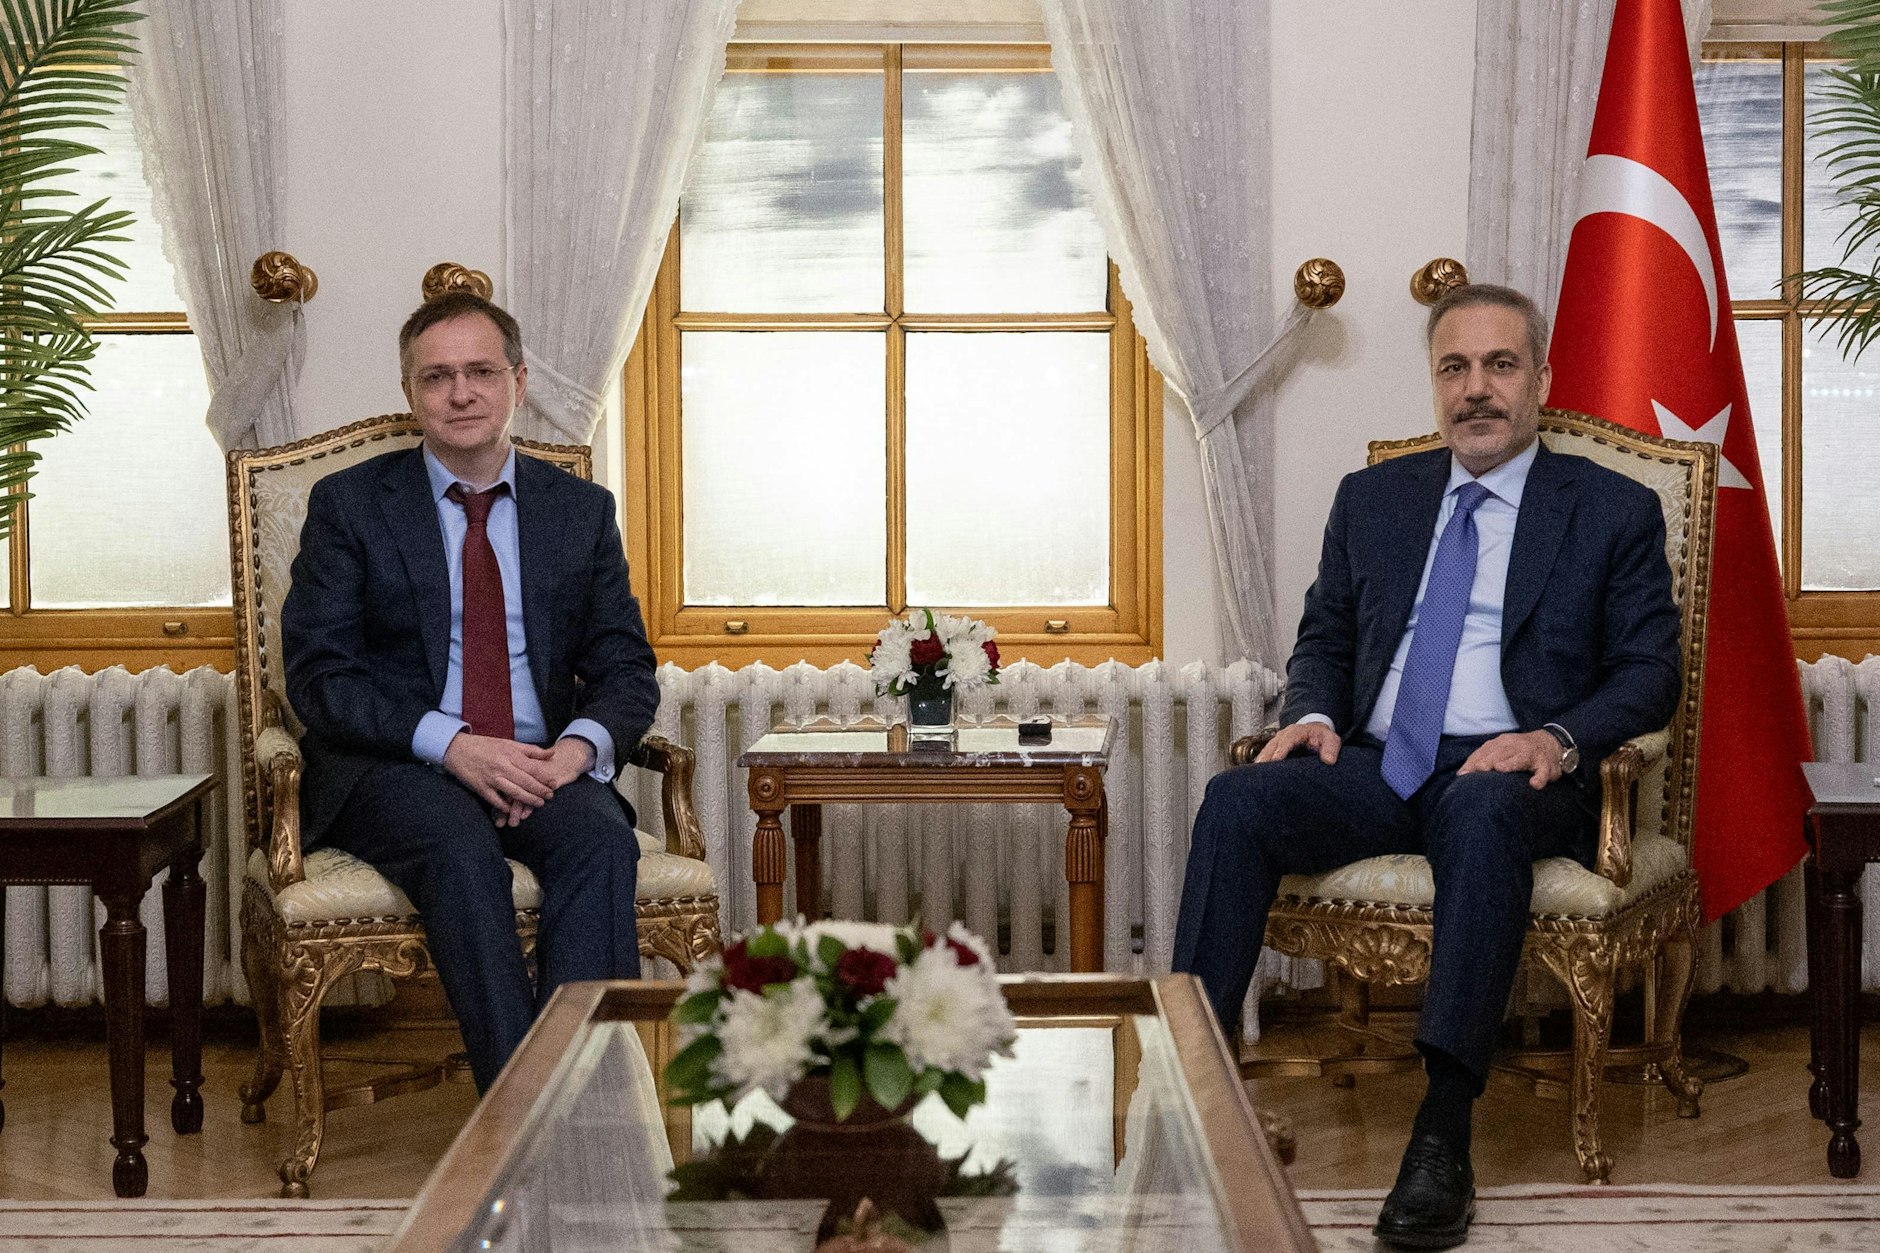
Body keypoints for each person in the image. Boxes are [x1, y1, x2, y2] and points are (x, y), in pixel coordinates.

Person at [1173, 284, 1681, 1249]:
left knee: (1482, 812)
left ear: (1541, 379)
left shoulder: (1612, 509)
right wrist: (1315, 713)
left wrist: (1557, 739)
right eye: (1455, 367)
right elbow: (1323, 635)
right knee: (1237, 802)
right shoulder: (1375, 499)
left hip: (1513, 773)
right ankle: (1190, 1100)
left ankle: (1442, 1135)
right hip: (1381, 761)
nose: (1476, 389)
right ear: (1434, 383)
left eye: (1500, 365)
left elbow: (1651, 672)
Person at [282, 291, 658, 1093]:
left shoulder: (580, 512)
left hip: (537, 759)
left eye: (481, 371)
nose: (461, 393)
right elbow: (319, 676)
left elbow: (625, 665)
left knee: (600, 841)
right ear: (411, 391)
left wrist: (575, 752)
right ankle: (523, 1115)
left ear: (518, 382)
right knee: (461, 850)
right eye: (438, 376)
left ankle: (585, 1099)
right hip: (399, 768)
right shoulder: (350, 505)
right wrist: (451, 744)